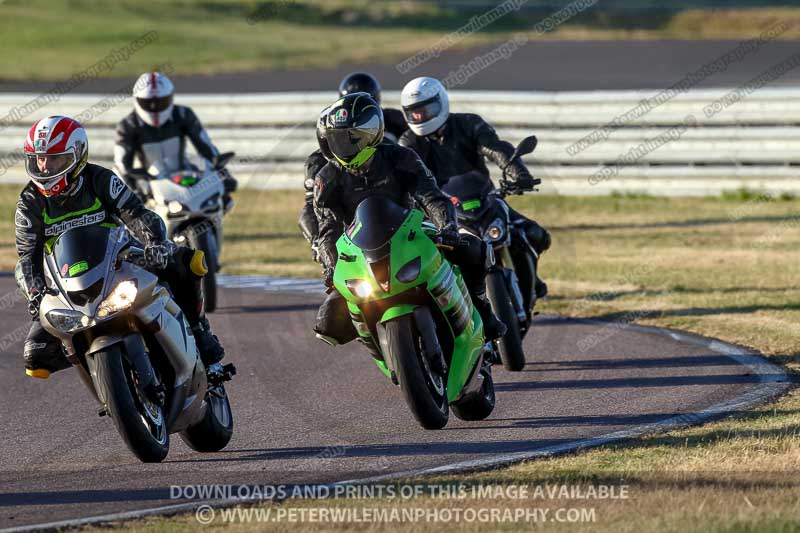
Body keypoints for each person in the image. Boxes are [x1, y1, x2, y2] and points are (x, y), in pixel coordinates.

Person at [15, 115, 225, 378]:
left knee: (187, 261)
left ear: (77, 156)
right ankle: (93, 366)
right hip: (65, 279)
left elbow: (137, 213)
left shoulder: (99, 178)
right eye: (39, 158)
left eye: (55, 157)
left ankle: (200, 331)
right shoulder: (29, 202)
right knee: (35, 357)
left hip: (118, 258)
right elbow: (27, 255)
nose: (45, 167)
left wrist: (155, 243)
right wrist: (36, 293)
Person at [311, 93, 506, 346]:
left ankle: (482, 309)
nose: (343, 147)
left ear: (370, 135)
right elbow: (327, 229)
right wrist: (331, 265)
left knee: (475, 250)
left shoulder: (401, 157)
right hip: (361, 251)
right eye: (336, 141)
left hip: (411, 231)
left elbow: (432, 197)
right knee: (327, 324)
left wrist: (447, 227)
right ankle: (378, 345)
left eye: (350, 139)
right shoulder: (326, 179)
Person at [398, 76, 551, 299]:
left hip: (485, 198)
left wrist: (517, 172)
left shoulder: (469, 123)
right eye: (414, 112)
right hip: (443, 209)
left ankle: (530, 279)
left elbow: (496, 148)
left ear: (441, 102)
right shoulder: (408, 143)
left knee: (535, 235)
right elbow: (409, 176)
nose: (420, 116)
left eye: (426, 109)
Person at [299, 72, 408, 261]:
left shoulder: (394, 148)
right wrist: (319, 242)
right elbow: (311, 208)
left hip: (397, 221)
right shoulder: (319, 163)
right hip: (351, 236)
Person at [113, 71, 237, 207]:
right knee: (130, 215)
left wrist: (220, 171)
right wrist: (135, 190)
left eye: (160, 102)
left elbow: (206, 148)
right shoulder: (127, 126)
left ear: (170, 98)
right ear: (137, 100)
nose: (155, 108)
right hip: (147, 183)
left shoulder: (183, 115)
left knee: (224, 202)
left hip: (182, 177)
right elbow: (122, 167)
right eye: (148, 103)